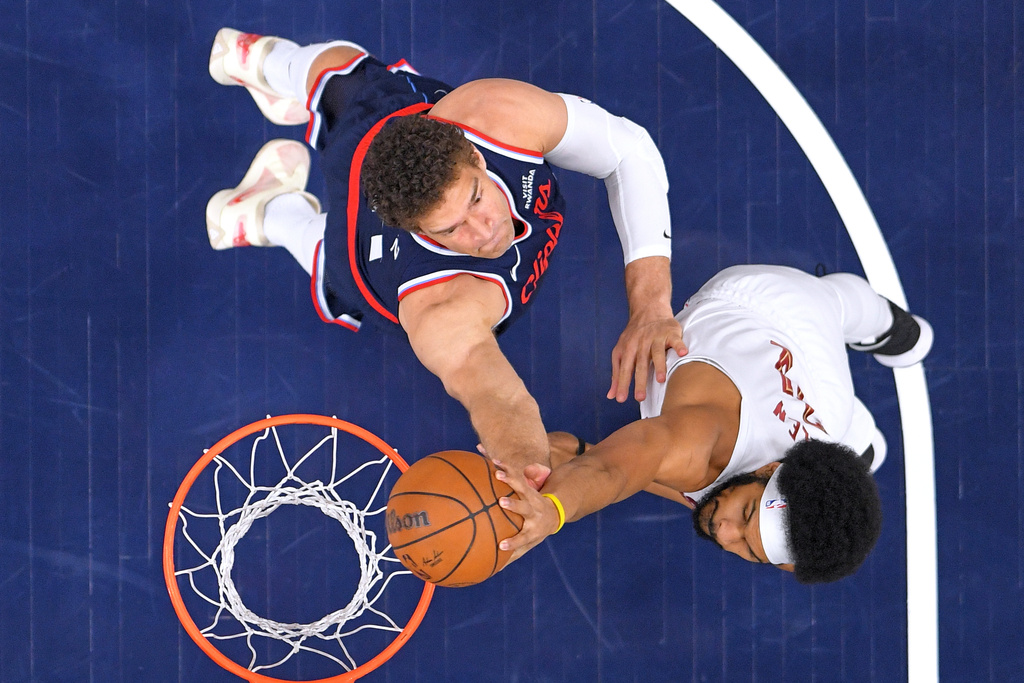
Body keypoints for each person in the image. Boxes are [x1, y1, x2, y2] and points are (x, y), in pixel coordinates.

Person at [205, 28, 685, 475]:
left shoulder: (492, 116)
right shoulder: (439, 310)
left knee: (342, 68)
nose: (485, 230)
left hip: (391, 127)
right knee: (332, 257)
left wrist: (650, 306)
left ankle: (256, 64)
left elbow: (628, 151)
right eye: (452, 229)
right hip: (367, 258)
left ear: (474, 156)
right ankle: (262, 213)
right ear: (413, 228)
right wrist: (527, 472)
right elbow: (499, 399)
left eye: (476, 197)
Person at [495, 264, 934, 583]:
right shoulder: (699, 442)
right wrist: (553, 510)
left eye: (748, 548)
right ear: (766, 471)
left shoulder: (746, 495)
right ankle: (892, 325)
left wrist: (575, 455)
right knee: (843, 303)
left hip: (810, 399)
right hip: (771, 301)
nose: (726, 536)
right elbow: (615, 470)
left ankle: (863, 441)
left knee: (845, 439)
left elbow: (642, 477)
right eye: (744, 514)